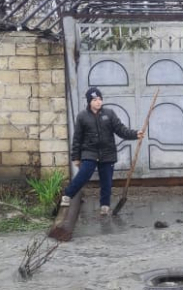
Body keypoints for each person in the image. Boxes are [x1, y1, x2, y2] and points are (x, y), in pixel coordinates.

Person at [61, 87, 144, 216]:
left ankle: (104, 205)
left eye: (100, 99)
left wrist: (135, 134)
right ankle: (67, 195)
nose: (98, 102)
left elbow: (120, 130)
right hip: (89, 152)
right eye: (95, 100)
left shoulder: (109, 114)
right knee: (83, 175)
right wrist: (76, 157)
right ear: (89, 102)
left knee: (107, 181)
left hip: (107, 152)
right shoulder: (82, 116)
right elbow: (77, 138)